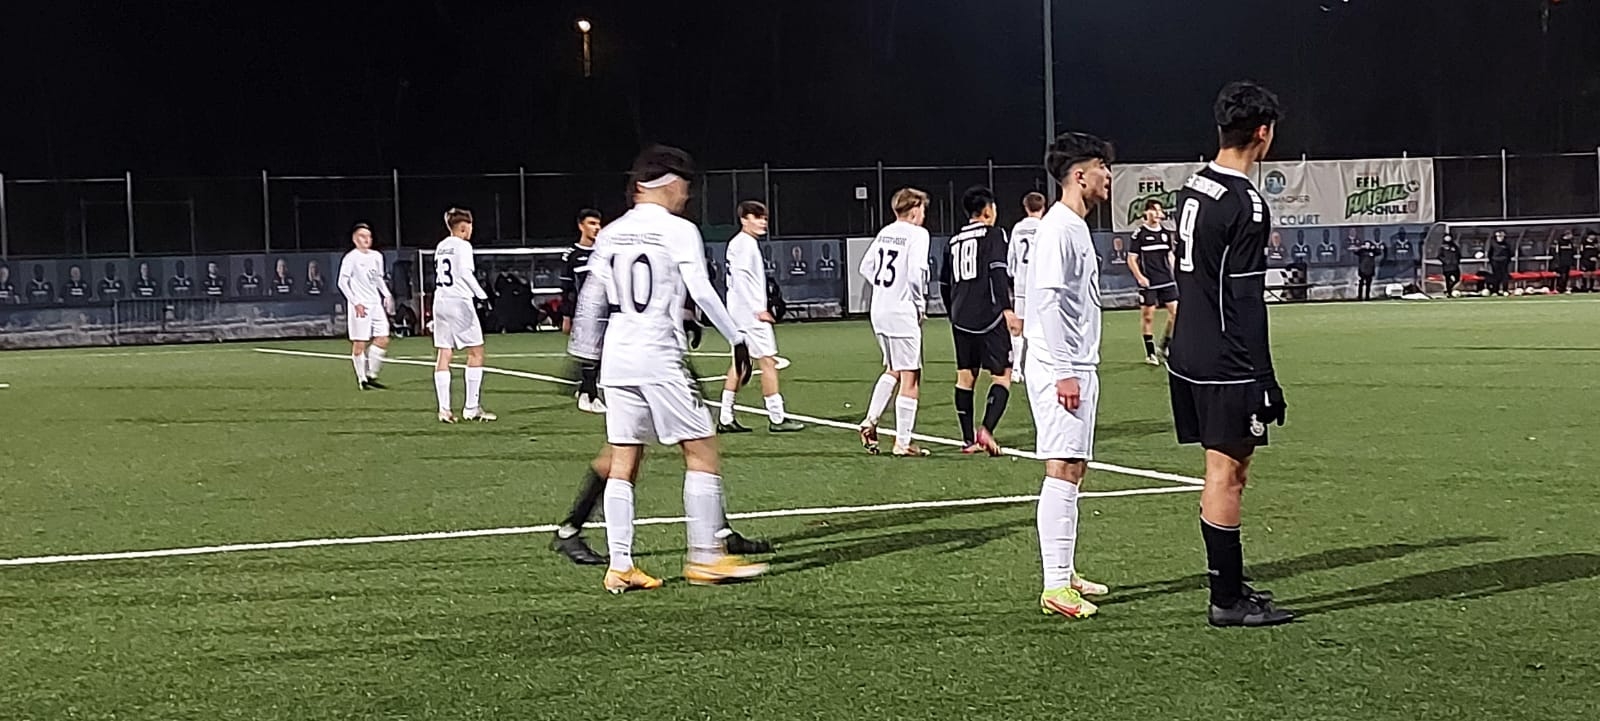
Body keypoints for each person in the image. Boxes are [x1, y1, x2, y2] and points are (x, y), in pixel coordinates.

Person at [583, 144, 768, 592]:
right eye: (684, 187)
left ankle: (621, 565)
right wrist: (738, 338)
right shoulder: (678, 230)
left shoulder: (612, 233)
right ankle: (706, 558)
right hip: (658, 353)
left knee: (624, 457)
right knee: (701, 449)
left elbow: (591, 298)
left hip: (618, 356)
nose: (686, 196)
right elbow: (701, 290)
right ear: (668, 184)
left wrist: (585, 357)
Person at [1168, 80, 1293, 627]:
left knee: (1219, 469)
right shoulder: (1246, 203)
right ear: (1263, 133)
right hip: (1225, 357)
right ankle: (1226, 600)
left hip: (1188, 350)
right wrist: (1264, 376)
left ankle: (1230, 585)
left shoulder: (1194, 185)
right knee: (1228, 472)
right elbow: (1245, 298)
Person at [1027, 132, 1114, 620]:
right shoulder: (1058, 227)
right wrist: (1063, 371)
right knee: (1061, 466)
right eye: (1102, 167)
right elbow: (1047, 301)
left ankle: (1065, 570)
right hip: (1061, 366)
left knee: (1074, 466)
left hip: (1077, 363)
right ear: (1080, 175)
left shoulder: (1073, 225)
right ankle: (1055, 585)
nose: (1108, 176)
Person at [718, 200, 806, 434]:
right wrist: (758, 309)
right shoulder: (745, 244)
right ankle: (777, 417)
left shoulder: (738, 243)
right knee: (768, 361)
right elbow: (741, 280)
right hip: (749, 316)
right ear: (744, 219)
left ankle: (725, 417)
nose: (763, 222)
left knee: (740, 363)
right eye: (757, 218)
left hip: (738, 313)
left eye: (764, 218)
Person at [857, 188, 932, 457]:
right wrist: (919, 305)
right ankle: (903, 442)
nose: (924, 214)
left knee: (894, 368)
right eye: (922, 209)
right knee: (911, 375)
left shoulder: (885, 232)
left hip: (879, 309)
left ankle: (870, 420)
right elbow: (915, 273)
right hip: (901, 311)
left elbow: (865, 267)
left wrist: (884, 288)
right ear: (914, 210)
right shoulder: (918, 234)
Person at [939, 186, 1014, 456]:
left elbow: (944, 283)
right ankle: (986, 430)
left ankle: (967, 439)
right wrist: (1006, 309)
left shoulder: (953, 241)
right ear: (987, 211)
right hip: (989, 315)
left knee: (965, 377)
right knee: (1003, 375)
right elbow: (997, 271)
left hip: (960, 317)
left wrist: (952, 312)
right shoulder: (994, 234)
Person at [432, 208, 495, 423]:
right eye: (470, 226)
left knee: (444, 353)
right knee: (476, 352)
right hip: (459, 302)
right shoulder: (463, 246)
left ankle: (444, 410)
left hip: (440, 301)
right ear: (463, 227)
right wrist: (482, 296)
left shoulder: (441, 246)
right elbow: (466, 274)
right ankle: (471, 408)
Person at [340, 223, 394, 390]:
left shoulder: (377, 256)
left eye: (369, 236)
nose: (367, 239)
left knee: (383, 338)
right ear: (355, 239)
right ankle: (362, 379)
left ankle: (371, 374)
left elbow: (378, 278)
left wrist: (386, 294)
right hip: (361, 305)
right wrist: (355, 302)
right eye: (363, 236)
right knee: (360, 342)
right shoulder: (351, 258)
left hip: (375, 303)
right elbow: (342, 282)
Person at [561, 208, 605, 413]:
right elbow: (567, 289)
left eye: (598, 224)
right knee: (590, 353)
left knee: (602, 353)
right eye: (591, 223)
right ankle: (588, 395)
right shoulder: (572, 255)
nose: (596, 228)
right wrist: (566, 316)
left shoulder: (603, 252)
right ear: (581, 226)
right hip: (584, 313)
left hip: (605, 311)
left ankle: (587, 389)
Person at [1128, 199, 1178, 364]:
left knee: (1176, 313)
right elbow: (1131, 259)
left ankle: (1164, 346)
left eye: (1159, 210)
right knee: (1148, 316)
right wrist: (1140, 277)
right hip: (1149, 282)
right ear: (1146, 213)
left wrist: (1176, 273)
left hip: (1166, 280)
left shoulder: (1166, 233)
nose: (1157, 213)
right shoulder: (1139, 234)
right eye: (1154, 210)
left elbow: (1170, 255)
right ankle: (1150, 353)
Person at [1007, 192, 1046, 384]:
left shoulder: (1018, 228)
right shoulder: (1045, 227)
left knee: (1018, 328)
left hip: (1022, 284)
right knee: (1043, 326)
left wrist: (1015, 276)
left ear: (1025, 207)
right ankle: (1041, 368)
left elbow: (1010, 259)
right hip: (1041, 284)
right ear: (1043, 207)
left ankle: (1016, 369)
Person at [1352, 235, 1384, 300]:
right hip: (1362, 270)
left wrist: (1374, 248)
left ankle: (1367, 297)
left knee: (1368, 284)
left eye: (1368, 244)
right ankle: (1360, 297)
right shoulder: (1362, 251)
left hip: (1370, 270)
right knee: (1361, 284)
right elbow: (1355, 252)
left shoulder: (1372, 251)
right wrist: (1361, 247)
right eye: (1366, 244)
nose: (1367, 246)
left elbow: (1379, 252)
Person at [1487, 230, 1513, 296]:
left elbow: (1510, 253)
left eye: (1501, 236)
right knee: (1496, 276)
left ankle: (1505, 290)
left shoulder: (1506, 244)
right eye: (1498, 236)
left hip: (1504, 262)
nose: (1500, 238)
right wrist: (1491, 261)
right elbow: (1489, 253)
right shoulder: (1493, 244)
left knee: (1505, 276)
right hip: (1495, 261)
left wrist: (1507, 260)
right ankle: (1495, 291)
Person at [1551, 230, 1577, 294]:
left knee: (1566, 275)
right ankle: (1559, 288)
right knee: (1561, 275)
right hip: (1561, 262)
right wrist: (1557, 262)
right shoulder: (1559, 242)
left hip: (1568, 262)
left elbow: (1573, 252)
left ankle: (1564, 287)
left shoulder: (1570, 242)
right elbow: (1555, 252)